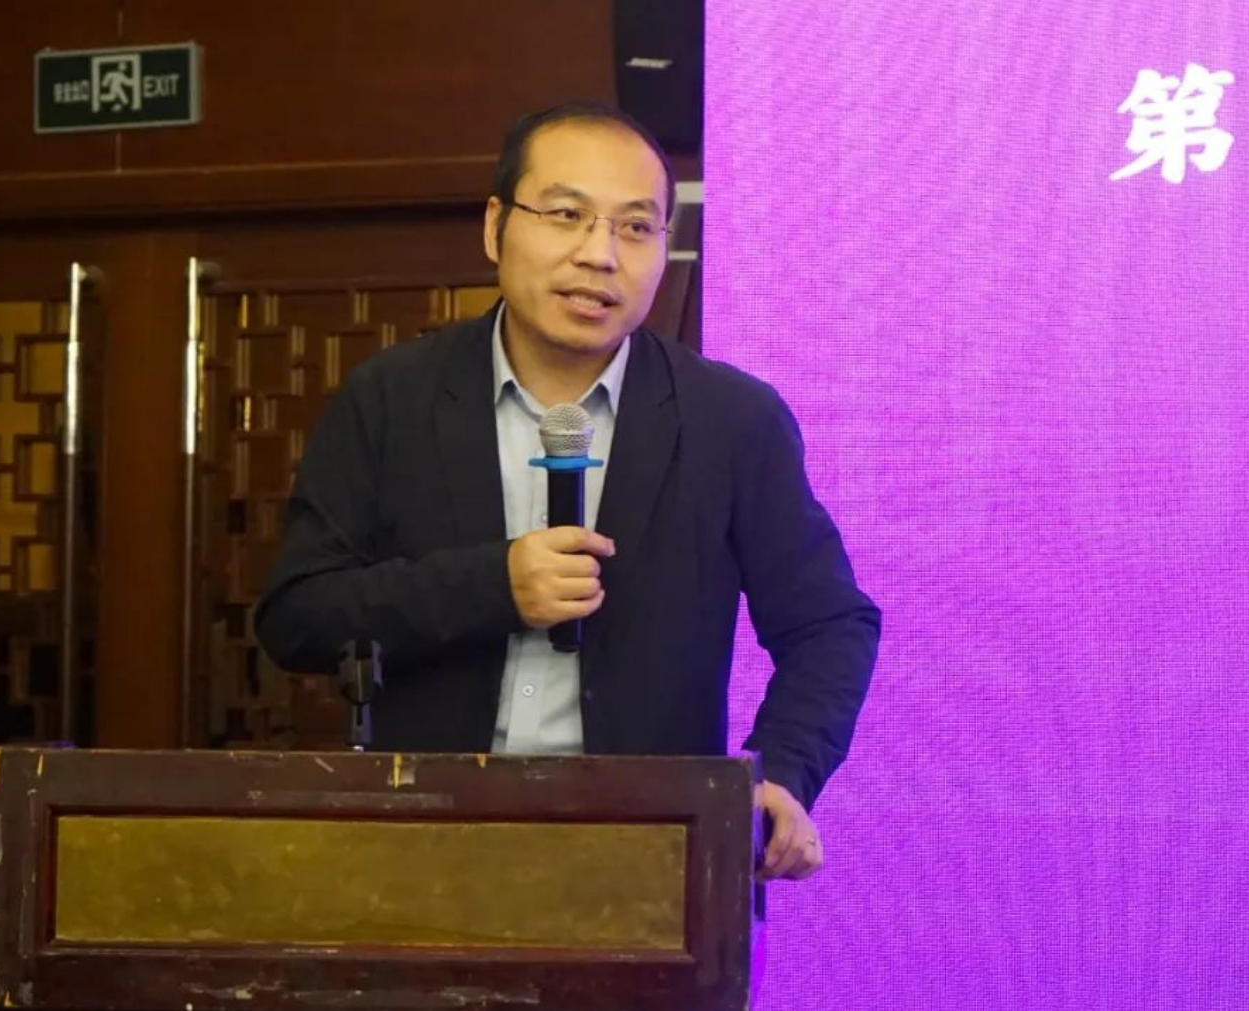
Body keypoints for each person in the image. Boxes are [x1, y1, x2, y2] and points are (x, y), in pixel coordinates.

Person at [254, 101, 879, 882]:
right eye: (565, 215)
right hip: (422, 848)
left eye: (635, 227)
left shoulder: (731, 419)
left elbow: (830, 624)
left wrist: (780, 770)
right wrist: (494, 585)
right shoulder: (389, 400)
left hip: (647, 858)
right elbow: (298, 615)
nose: (599, 255)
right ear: (495, 227)